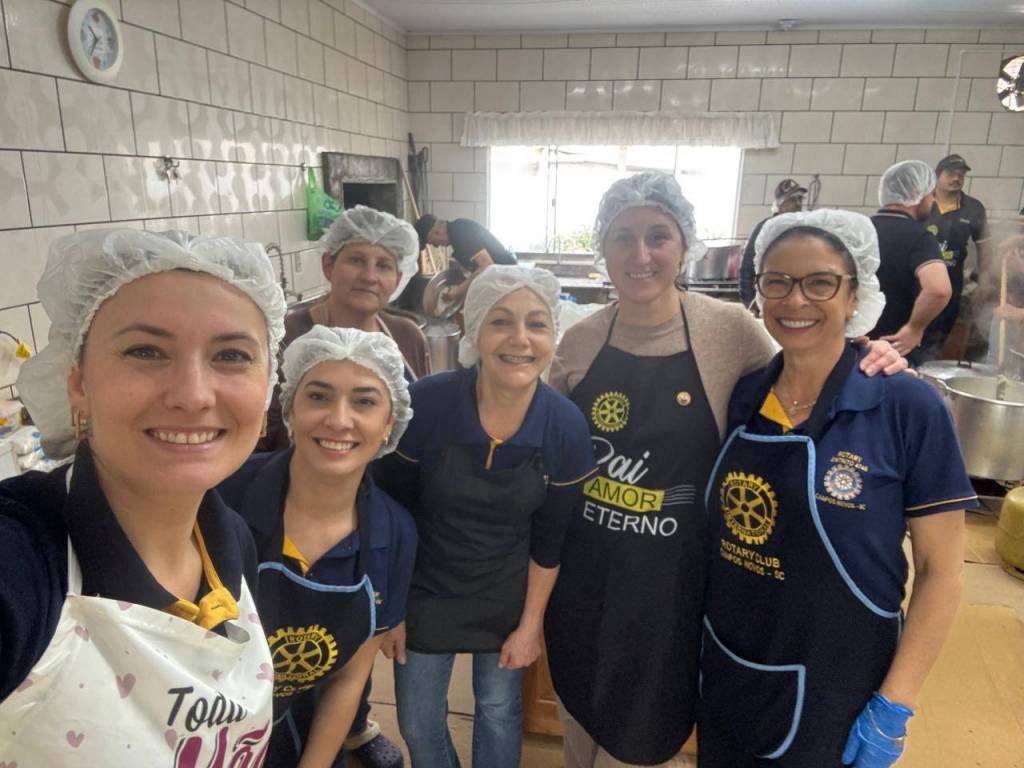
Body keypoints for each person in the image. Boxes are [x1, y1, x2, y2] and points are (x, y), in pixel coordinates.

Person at [544, 172, 904, 768]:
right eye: (622, 237)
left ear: (685, 244)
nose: (640, 254)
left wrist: (870, 351)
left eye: (658, 236)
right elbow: (547, 455)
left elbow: (806, 369)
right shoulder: (578, 342)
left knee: (643, 738)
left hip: (675, 590)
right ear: (601, 247)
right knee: (580, 718)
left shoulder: (731, 331)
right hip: (585, 584)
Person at [699, 209, 976, 767]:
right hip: (730, 664)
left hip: (840, 686)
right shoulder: (744, 394)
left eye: (820, 282)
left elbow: (941, 572)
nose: (795, 300)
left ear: (855, 296)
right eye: (777, 281)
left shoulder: (906, 407)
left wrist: (894, 704)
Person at [0, 229, 287, 764]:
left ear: (268, 384)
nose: (193, 395)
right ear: (78, 384)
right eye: (146, 351)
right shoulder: (22, 565)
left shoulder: (231, 542)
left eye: (231, 355)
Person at [374, 265, 597, 768]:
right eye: (501, 321)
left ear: (553, 335)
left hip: (507, 592)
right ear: (473, 329)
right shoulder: (427, 404)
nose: (520, 339)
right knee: (418, 721)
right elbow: (390, 513)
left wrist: (531, 625)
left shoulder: (564, 425)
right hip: (424, 588)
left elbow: (551, 539)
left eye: (536, 324)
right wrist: (390, 610)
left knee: (498, 709)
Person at [261, 206, 426, 768]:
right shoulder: (286, 331)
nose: (369, 275)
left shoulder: (406, 336)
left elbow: (416, 426)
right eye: (357, 259)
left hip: (372, 513)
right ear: (330, 264)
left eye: (385, 264)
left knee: (352, 635)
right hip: (287, 500)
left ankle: (351, 725)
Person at [218, 326, 418, 767]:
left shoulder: (394, 535)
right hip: (189, 724)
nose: (339, 420)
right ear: (291, 408)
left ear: (389, 423)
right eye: (319, 397)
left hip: (291, 726)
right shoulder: (223, 495)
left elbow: (348, 679)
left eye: (364, 402)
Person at [869, 160, 952, 364]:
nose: (933, 201)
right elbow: (938, 289)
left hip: (851, 343)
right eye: (931, 195)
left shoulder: (861, 230)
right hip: (894, 350)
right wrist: (914, 328)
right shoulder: (919, 237)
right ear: (916, 194)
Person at [924, 153, 992, 355]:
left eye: (961, 174)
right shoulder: (922, 202)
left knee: (937, 339)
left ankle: (928, 367)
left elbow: (984, 247)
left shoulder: (973, 208)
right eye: (951, 174)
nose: (956, 178)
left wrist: (984, 279)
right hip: (918, 280)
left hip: (951, 283)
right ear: (937, 176)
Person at [414, 214, 518, 306]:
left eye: (432, 243)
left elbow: (486, 265)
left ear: (437, 232)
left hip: (507, 281)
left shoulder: (461, 232)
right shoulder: (457, 236)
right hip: (497, 281)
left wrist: (459, 290)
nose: (436, 246)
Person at [739, 178, 807, 309]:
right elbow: (747, 266)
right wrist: (749, 301)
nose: (798, 204)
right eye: (792, 199)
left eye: (800, 199)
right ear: (780, 204)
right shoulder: (766, 228)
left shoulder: (803, 229)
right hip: (770, 295)